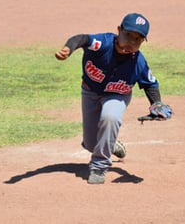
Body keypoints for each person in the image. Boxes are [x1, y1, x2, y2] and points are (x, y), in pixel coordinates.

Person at [55, 13, 172, 184]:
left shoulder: (138, 62)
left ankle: (99, 166)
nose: (131, 42)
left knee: (111, 117)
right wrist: (69, 48)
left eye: (138, 39)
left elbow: (150, 83)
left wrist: (157, 104)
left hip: (118, 95)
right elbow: (82, 39)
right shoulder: (102, 44)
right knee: (90, 144)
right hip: (89, 92)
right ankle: (112, 144)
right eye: (128, 35)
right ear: (119, 30)